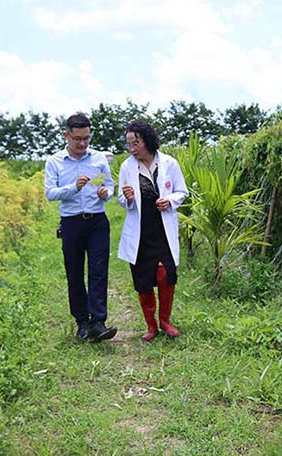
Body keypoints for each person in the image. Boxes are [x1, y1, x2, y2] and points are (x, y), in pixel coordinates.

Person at [44, 113, 118, 343]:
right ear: (66, 135)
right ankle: (82, 322)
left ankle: (98, 321)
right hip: (71, 222)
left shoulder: (98, 159)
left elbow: (109, 184)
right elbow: (50, 193)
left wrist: (107, 193)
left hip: (97, 220)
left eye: (86, 138)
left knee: (98, 270)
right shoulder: (55, 161)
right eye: (77, 139)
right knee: (74, 272)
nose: (83, 144)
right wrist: (73, 188)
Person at [117, 120, 189, 341]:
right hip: (141, 230)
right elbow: (121, 198)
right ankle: (151, 326)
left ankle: (165, 321)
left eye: (135, 143)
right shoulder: (127, 167)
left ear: (146, 140)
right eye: (129, 144)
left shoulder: (169, 163)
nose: (132, 148)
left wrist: (169, 201)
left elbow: (182, 191)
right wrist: (127, 198)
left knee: (165, 275)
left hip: (163, 228)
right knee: (144, 278)